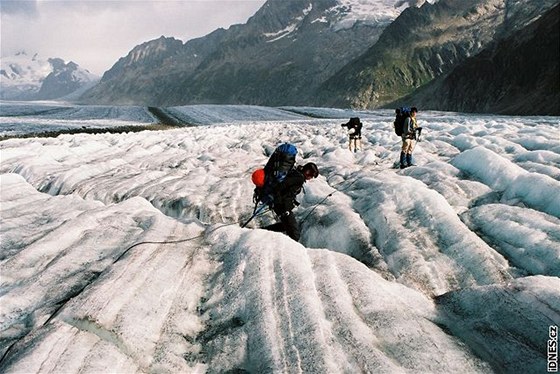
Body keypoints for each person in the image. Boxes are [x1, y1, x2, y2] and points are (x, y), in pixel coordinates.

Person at [263, 162, 319, 241]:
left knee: (285, 226)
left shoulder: (296, 173)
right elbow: (281, 186)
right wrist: (281, 204)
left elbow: (286, 190)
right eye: (312, 175)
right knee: (295, 235)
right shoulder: (298, 178)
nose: (311, 178)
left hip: (280, 205)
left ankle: (262, 231)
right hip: (282, 206)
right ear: (308, 171)